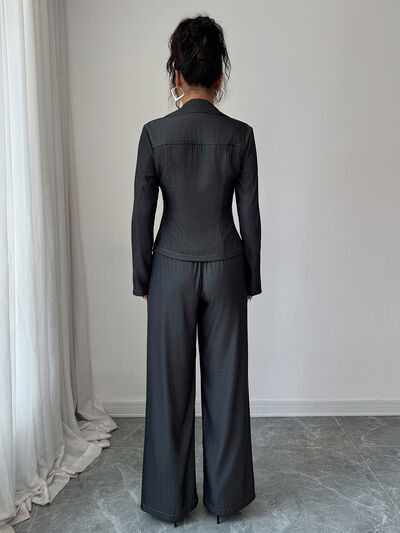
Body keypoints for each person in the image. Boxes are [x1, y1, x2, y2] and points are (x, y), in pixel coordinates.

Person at [131, 14, 262, 527]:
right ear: (220, 75)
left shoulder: (154, 134)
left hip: (170, 268)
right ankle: (226, 501)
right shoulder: (241, 136)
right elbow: (249, 215)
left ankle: (169, 503)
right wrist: (250, 277)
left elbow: (142, 216)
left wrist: (144, 278)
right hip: (227, 266)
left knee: (168, 390)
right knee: (226, 388)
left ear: (177, 75)